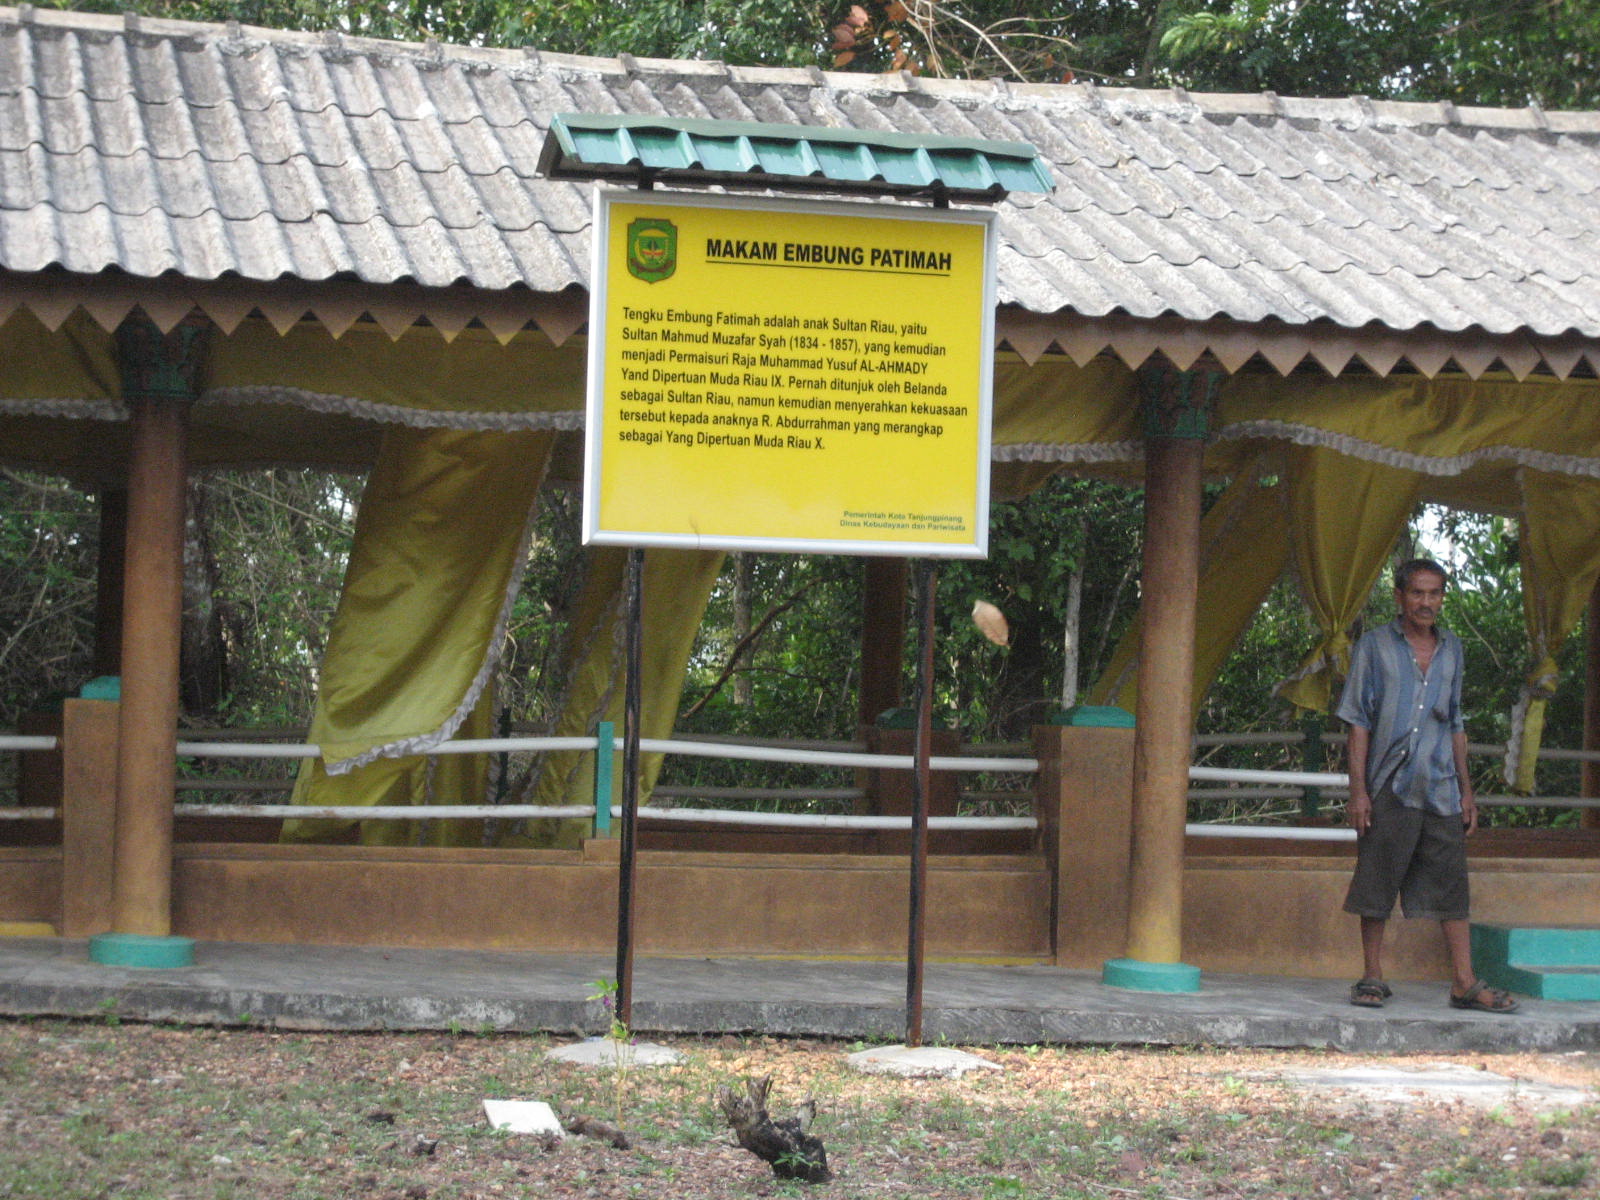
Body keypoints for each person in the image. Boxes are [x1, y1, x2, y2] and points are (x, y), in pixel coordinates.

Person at [1336, 558, 1517, 1013]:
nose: (1426, 602)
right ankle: (1373, 976)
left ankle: (1464, 982)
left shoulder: (1452, 649)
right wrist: (1357, 791)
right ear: (1399, 597)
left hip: (1439, 786)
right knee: (1378, 880)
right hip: (1389, 784)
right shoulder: (1375, 647)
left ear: (1442, 598)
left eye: (1434, 593)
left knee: (1452, 884)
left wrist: (1466, 789)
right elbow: (1357, 721)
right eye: (1417, 593)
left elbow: (1455, 721)